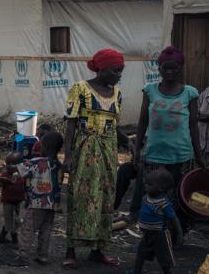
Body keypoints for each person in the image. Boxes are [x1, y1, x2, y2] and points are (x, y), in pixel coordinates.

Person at [63, 48, 131, 269]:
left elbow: (114, 124)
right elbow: (71, 123)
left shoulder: (117, 93)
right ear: (101, 68)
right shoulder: (80, 89)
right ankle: (70, 250)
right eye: (115, 70)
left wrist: (127, 142)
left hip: (108, 151)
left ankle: (98, 250)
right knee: (79, 196)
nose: (119, 75)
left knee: (105, 197)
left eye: (121, 71)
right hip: (85, 149)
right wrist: (68, 155)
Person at [134, 46, 205, 233]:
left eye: (174, 68)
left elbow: (193, 125)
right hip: (155, 155)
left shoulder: (189, 93)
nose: (170, 72)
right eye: (166, 68)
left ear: (181, 69)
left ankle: (175, 235)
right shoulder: (149, 90)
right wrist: (136, 149)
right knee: (154, 197)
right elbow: (142, 121)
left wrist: (199, 155)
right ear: (159, 69)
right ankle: (153, 235)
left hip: (181, 156)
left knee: (179, 199)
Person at [16, 132, 64, 265]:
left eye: (41, 145)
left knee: (28, 229)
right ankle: (42, 256)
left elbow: (21, 170)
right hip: (52, 205)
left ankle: (23, 257)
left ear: (46, 147)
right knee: (46, 231)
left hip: (36, 203)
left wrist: (15, 160)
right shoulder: (59, 166)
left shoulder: (36, 162)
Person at [132, 169, 181, 274]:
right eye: (146, 183)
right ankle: (136, 272)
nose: (146, 186)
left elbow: (173, 218)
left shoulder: (164, 203)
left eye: (149, 184)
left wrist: (179, 234)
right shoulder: (145, 198)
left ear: (161, 188)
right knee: (140, 254)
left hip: (160, 235)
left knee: (163, 258)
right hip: (148, 234)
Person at [0, 152, 25, 245]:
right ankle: (15, 240)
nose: (10, 166)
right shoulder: (5, 175)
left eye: (13, 164)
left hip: (18, 202)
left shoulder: (22, 175)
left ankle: (1, 237)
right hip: (8, 202)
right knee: (13, 221)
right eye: (8, 164)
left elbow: (27, 186)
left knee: (11, 221)